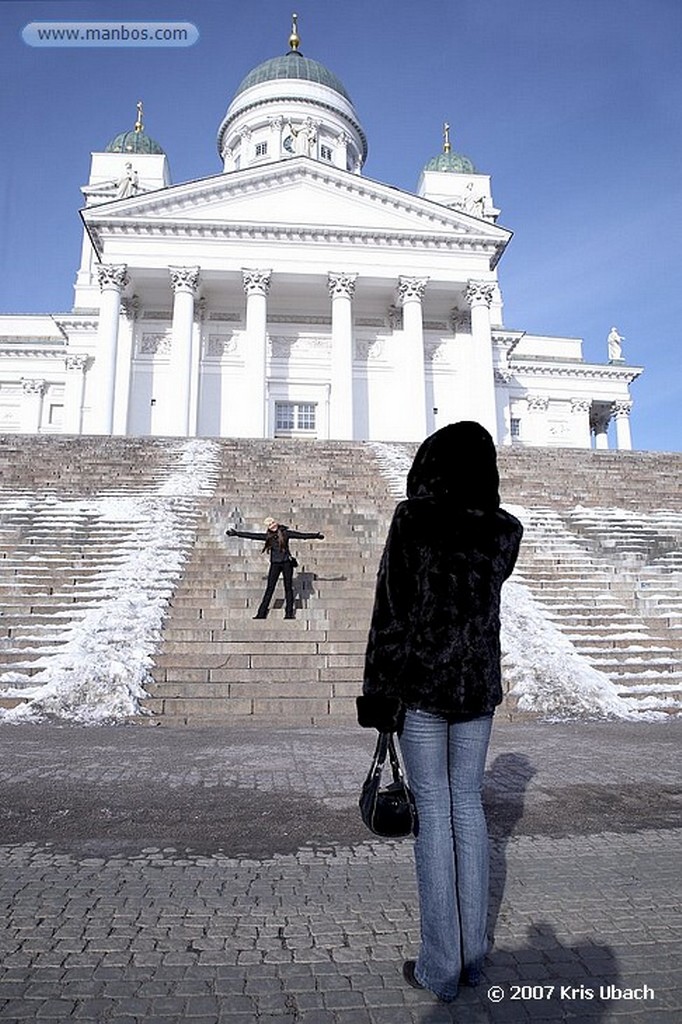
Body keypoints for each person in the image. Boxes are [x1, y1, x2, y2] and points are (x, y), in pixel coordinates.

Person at [357, 421, 523, 1003]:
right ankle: (474, 959)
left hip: (423, 688)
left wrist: (378, 693)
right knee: (468, 810)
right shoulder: (504, 532)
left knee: (433, 814)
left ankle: (439, 967)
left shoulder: (414, 520)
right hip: (476, 687)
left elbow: (392, 612)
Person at [226, 516, 324, 619]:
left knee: (288, 588)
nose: (272, 526)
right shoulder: (268, 536)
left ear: (275, 522)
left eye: (273, 523)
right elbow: (253, 536)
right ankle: (261, 613)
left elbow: (301, 535)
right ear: (268, 527)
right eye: (270, 525)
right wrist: (237, 534)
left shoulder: (285, 533)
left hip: (286, 563)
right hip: (275, 564)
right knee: (270, 588)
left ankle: (289, 614)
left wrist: (316, 536)